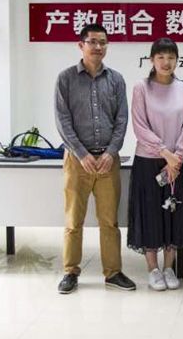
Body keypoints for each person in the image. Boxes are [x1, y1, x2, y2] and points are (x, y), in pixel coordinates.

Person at [55, 23, 135, 294]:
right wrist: (81, 153)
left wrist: (111, 152)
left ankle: (113, 272)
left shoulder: (116, 79)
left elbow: (121, 120)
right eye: (93, 42)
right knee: (73, 220)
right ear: (81, 45)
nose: (98, 47)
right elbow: (63, 121)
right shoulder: (65, 79)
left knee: (109, 222)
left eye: (103, 42)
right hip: (77, 162)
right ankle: (70, 272)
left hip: (108, 162)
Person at [127, 38, 183, 291]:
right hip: (149, 161)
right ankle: (153, 269)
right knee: (150, 214)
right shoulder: (141, 88)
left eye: (171, 57)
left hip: (177, 163)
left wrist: (178, 156)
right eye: (161, 57)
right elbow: (139, 126)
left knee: (174, 213)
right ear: (152, 60)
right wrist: (165, 152)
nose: (166, 62)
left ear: (177, 60)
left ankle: (169, 267)